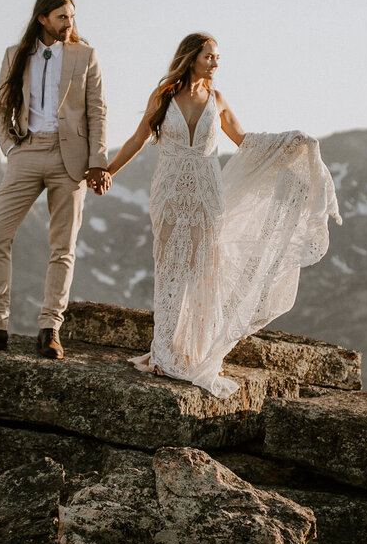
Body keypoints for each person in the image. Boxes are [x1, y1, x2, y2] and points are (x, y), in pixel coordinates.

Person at [106, 32, 340, 397]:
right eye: (210, 56)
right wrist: (109, 170)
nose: (216, 63)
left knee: (200, 268)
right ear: (191, 57)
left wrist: (290, 144)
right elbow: (138, 138)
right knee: (168, 265)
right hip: (170, 188)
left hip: (205, 190)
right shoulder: (164, 96)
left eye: (217, 57)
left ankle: (189, 351)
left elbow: (245, 142)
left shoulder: (217, 100)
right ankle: (162, 351)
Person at [0, 0, 111, 360]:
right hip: (26, 152)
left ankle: (50, 328)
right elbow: (0, 106)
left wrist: (98, 161)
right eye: (61, 17)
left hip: (70, 157)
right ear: (42, 19)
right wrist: (10, 147)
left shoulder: (85, 55)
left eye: (71, 16)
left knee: (62, 247)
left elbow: (97, 110)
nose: (69, 23)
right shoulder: (16, 54)